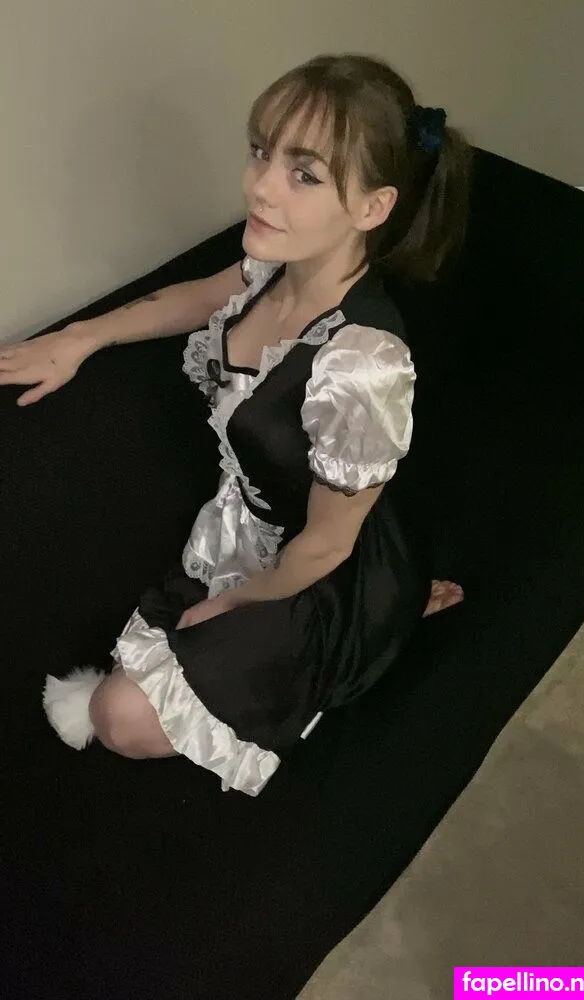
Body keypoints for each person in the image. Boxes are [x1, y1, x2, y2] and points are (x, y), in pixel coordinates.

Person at [0, 53, 471, 796]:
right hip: (248, 527)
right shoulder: (277, 266)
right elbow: (203, 296)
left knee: (119, 718)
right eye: (261, 152)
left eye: (303, 174)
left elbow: (326, 544)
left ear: (372, 207)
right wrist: (81, 337)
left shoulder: (363, 366)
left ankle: (375, 627)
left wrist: (232, 603)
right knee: (124, 692)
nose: (259, 186)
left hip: (318, 572)